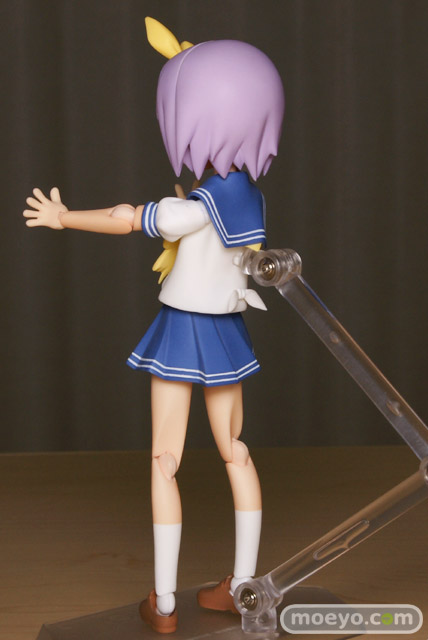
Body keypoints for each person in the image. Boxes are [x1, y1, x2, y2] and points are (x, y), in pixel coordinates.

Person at [24, 17, 284, 634]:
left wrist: (64, 217)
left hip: (183, 330)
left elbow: (127, 217)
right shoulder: (251, 197)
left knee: (165, 459)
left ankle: (165, 603)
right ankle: (242, 587)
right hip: (226, 332)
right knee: (236, 452)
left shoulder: (195, 206)